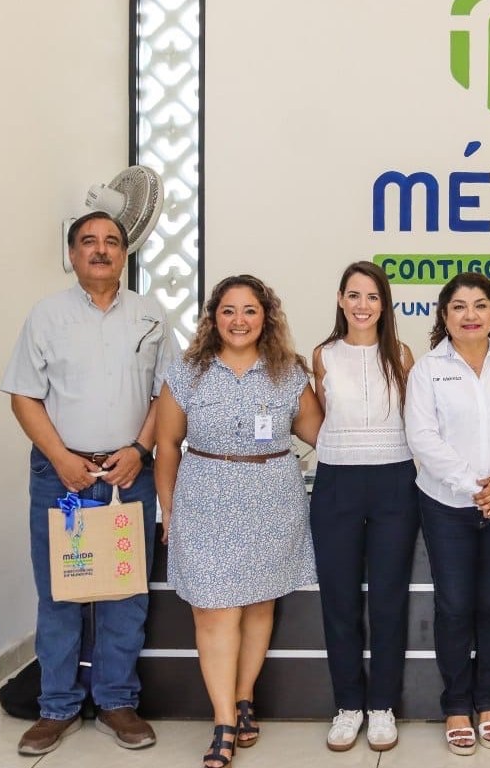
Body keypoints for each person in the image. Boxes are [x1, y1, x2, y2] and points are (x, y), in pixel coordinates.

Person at [2, 210, 176, 756]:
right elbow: (24, 395)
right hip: (63, 477)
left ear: (125, 253)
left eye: (111, 242)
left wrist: (139, 451)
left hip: (129, 473)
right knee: (61, 592)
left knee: (125, 591)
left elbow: (167, 393)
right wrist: (61, 458)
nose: (101, 250)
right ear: (73, 253)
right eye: (89, 241)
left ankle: (117, 702)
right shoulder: (46, 316)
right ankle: (56, 707)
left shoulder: (150, 315)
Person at [153, 274, 323, 768]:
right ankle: (224, 720)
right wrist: (169, 510)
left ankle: (244, 697)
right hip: (204, 501)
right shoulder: (187, 372)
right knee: (214, 611)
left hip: (272, 501)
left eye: (250, 310)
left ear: (266, 317)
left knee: (258, 606)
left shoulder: (288, 372)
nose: (239, 320)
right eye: (228, 310)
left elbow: (321, 434)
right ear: (213, 318)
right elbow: (167, 446)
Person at [404, 272, 490, 756]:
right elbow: (423, 438)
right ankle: (457, 705)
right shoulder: (428, 370)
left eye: (481, 305)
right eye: (459, 306)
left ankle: (489, 702)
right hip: (446, 506)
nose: (470, 315)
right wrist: (475, 487)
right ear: (444, 316)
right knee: (454, 605)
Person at [309, 261, 418, 752]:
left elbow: (414, 419)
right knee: (340, 600)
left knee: (389, 598)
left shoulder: (403, 354)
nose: (362, 305)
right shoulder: (323, 355)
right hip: (337, 482)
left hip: (396, 480)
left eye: (372, 297)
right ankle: (348, 705)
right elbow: (322, 418)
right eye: (354, 295)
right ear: (340, 299)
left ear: (384, 304)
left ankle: (382, 706)